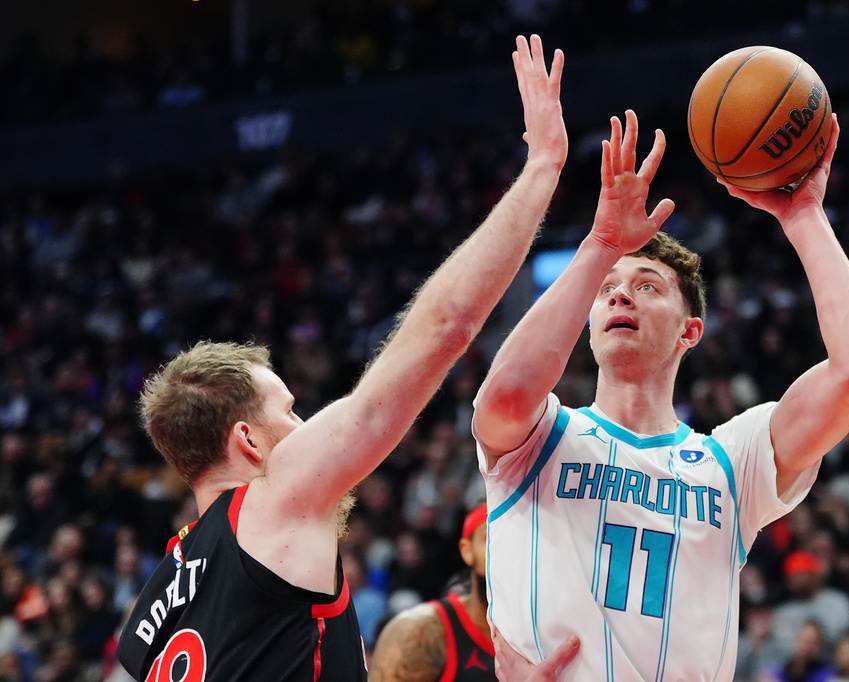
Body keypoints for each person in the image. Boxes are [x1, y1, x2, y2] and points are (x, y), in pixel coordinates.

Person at [117, 34, 575, 682]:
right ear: (248, 440)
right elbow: (444, 327)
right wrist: (540, 173)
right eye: (291, 411)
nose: (305, 428)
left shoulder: (151, 613)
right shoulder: (274, 500)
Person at [472, 113, 849, 680]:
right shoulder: (543, 436)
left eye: (647, 286)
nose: (622, 295)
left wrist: (804, 215)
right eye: (607, 290)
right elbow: (502, 398)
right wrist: (600, 245)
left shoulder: (731, 462)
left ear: (689, 331)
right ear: (587, 321)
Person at [370, 504, 495, 681]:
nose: (504, 553)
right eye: (492, 539)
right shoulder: (417, 633)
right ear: (467, 550)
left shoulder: (545, 632)